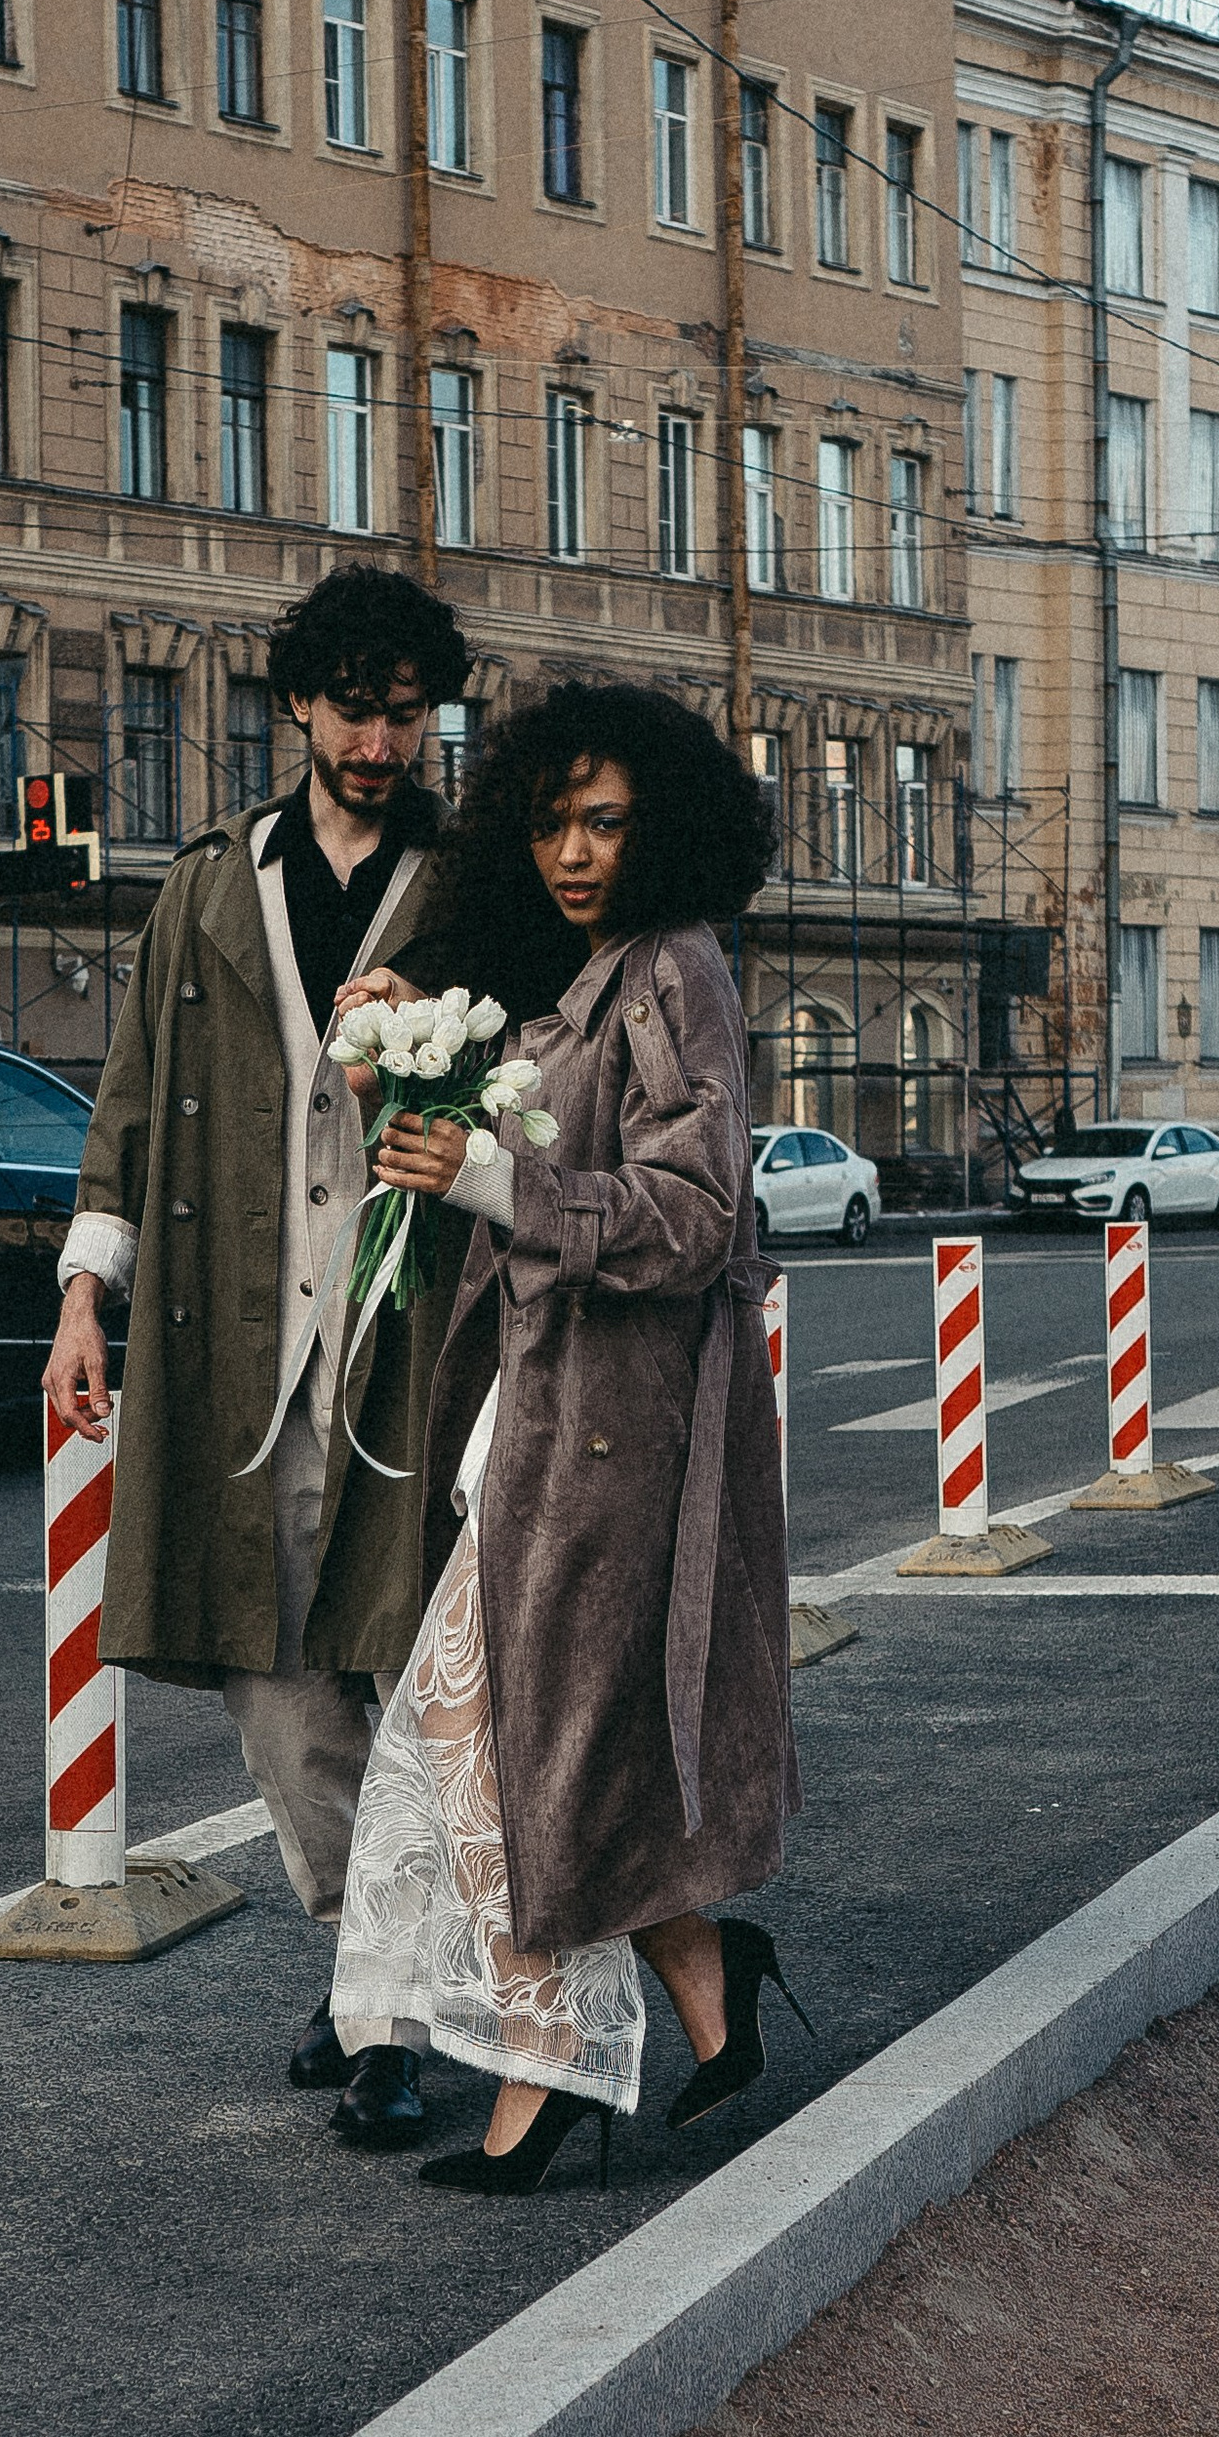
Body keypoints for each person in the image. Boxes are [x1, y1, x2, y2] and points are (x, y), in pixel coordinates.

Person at [329, 680, 799, 2194]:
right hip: (544, 1417)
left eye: (605, 822)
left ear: (664, 825)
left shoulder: (677, 969)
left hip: (624, 1433)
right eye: (550, 823)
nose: (574, 852)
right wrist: (435, 1133)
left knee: (504, 1748)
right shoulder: (598, 971)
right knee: (509, 1745)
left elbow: (702, 1212)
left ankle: (556, 2079)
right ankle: (695, 1968)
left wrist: (490, 1179)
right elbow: (540, 1163)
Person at [42, 565, 483, 2146]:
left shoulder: (479, 877)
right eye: (356, 708)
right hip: (234, 1341)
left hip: (424, 1327)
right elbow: (132, 1104)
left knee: (422, 1670)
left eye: (407, 711)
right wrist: (87, 1299)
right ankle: (380, 1980)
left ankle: (386, 2009)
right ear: (297, 705)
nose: (381, 740)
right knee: (272, 1661)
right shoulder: (210, 884)